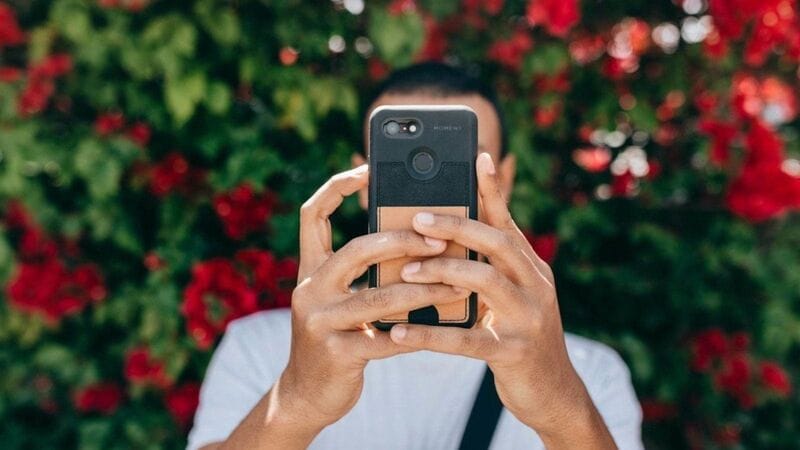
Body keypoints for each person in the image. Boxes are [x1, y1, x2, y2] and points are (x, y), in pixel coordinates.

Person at [187, 62, 643, 450]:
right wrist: (297, 402)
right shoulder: (264, 349)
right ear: (363, 181)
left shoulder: (584, 371)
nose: (431, 199)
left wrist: (561, 412)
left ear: (502, 177)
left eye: (463, 164)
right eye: (400, 166)